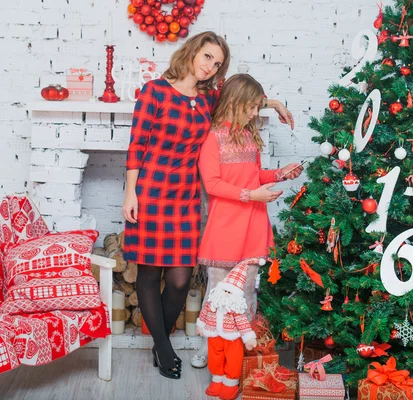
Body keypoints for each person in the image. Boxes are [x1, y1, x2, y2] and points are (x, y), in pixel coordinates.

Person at [122, 32, 294, 380]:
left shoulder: (207, 98)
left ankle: (159, 342)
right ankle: (164, 347)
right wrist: (130, 193)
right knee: (148, 272)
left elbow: (240, 99)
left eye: (216, 63)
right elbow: (137, 146)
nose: (209, 66)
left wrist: (273, 104)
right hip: (151, 191)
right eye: (206, 57)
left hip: (185, 197)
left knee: (181, 279)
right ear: (191, 51)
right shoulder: (154, 92)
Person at [191, 74, 304, 370]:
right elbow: (213, 184)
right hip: (224, 227)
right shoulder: (213, 138)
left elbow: (255, 177)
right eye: (252, 107)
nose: (256, 113)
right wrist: (250, 194)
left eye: (258, 107)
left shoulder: (249, 136)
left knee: (247, 294)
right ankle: (209, 345)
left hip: (252, 225)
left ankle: (242, 351)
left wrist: (280, 173)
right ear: (235, 102)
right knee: (218, 294)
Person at [196, 258, 261, 400]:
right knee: (215, 359)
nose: (225, 294)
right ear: (219, 288)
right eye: (224, 290)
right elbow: (204, 314)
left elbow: (243, 322)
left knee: (233, 360)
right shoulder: (212, 303)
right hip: (214, 336)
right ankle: (217, 380)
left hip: (232, 339)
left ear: (237, 296)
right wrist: (200, 325)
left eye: (229, 292)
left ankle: (230, 383)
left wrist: (248, 338)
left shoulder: (236, 309)